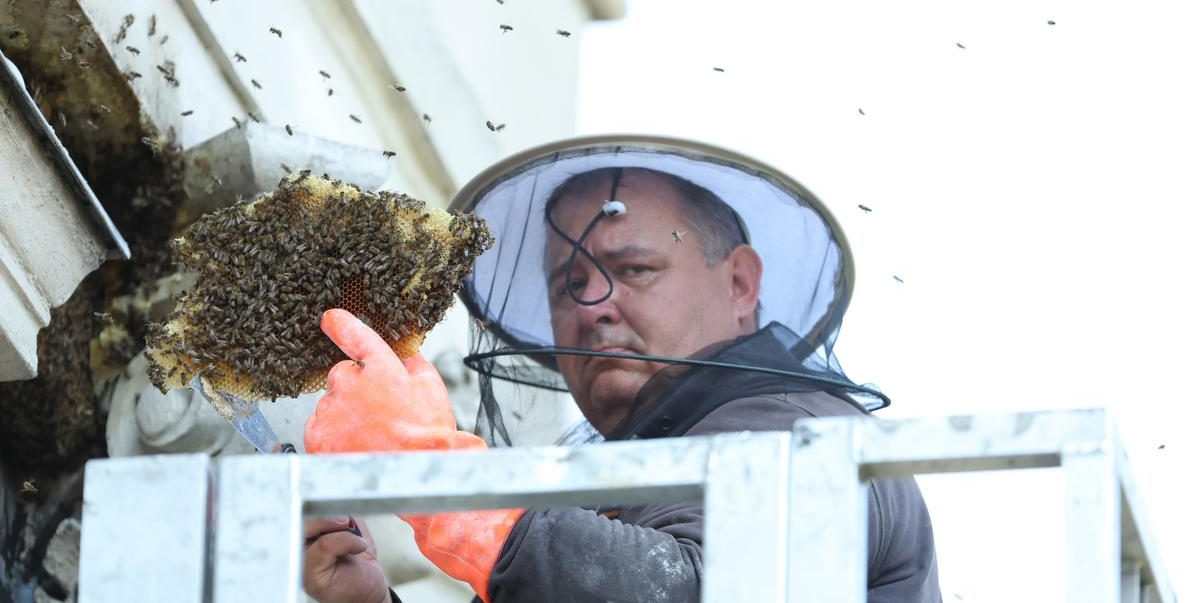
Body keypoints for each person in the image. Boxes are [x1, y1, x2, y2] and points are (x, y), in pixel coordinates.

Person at [302, 137, 941, 602]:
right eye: (567, 283)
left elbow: (694, 592)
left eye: (634, 269)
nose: (593, 306)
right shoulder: (597, 496)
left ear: (740, 283)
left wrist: (435, 475)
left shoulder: (814, 436)